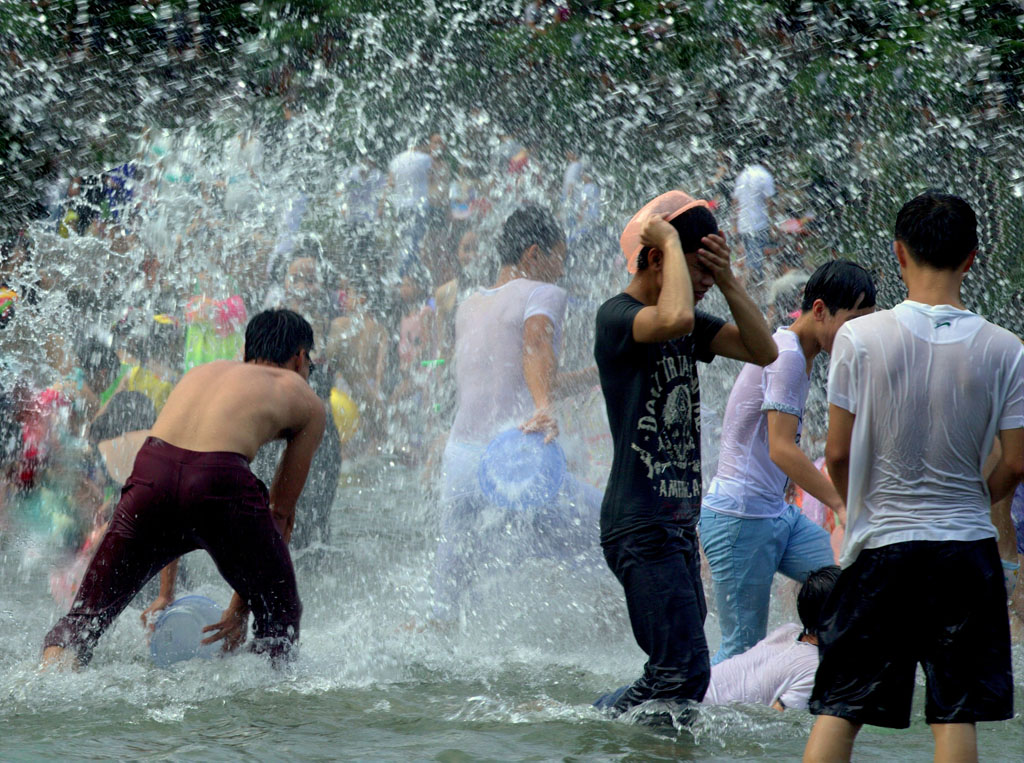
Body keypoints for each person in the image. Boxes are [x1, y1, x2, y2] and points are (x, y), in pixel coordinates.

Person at [804, 193, 1024, 762]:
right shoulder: (1007, 349)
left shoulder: (860, 337)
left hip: (882, 549)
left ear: (898, 253)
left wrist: (858, 504)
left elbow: (837, 452)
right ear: (972, 259)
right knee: (956, 714)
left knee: (840, 707)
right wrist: (976, 500)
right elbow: (1016, 462)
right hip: (966, 552)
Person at [41, 309, 326, 669]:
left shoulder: (202, 373)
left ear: (246, 351)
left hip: (150, 475)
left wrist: (166, 594)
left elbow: (175, 480)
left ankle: (47, 680)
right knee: (280, 613)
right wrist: (240, 609)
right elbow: (279, 515)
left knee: (85, 618)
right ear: (300, 357)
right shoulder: (305, 399)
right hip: (220, 481)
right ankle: (265, 710)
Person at [593, 190, 777, 717]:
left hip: (675, 524)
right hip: (639, 522)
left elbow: (763, 350)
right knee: (681, 671)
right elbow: (671, 318)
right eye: (697, 270)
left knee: (683, 676)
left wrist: (727, 278)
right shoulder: (619, 317)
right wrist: (671, 239)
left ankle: (623, 730)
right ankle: (600, 720)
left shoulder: (687, 320)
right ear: (656, 258)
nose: (701, 285)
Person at [431, 204, 602, 623]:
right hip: (512, 459)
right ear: (532, 255)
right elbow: (535, 346)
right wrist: (543, 406)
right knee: (621, 532)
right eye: (559, 256)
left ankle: (440, 637)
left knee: (451, 583)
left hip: (460, 460)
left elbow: (521, 374)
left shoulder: (469, 303)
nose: (562, 270)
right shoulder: (543, 292)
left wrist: (601, 374)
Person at [700, 260, 876, 664]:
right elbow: (781, 448)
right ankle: (685, 709)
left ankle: (806, 674)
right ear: (818, 310)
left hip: (776, 515)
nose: (859, 334)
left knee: (843, 589)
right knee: (740, 648)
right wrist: (839, 503)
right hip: (740, 517)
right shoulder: (787, 356)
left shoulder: (803, 353)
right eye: (852, 321)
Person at [732, 160, 776, 284]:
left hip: (743, 225)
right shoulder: (765, 176)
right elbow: (770, 203)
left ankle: (751, 293)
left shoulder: (743, 175)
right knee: (754, 262)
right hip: (758, 225)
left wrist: (734, 224)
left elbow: (734, 202)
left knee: (749, 259)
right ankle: (741, 295)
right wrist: (772, 225)